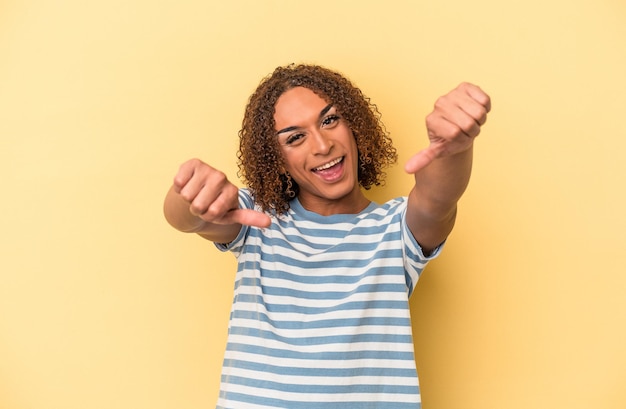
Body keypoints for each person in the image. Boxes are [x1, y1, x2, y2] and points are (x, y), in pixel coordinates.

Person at [163, 64, 490, 409]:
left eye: (330, 120)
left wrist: (452, 148)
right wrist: (191, 202)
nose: (322, 144)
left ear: (354, 125)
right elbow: (187, 220)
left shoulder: (394, 230)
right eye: (294, 137)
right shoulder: (256, 219)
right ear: (276, 160)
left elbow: (437, 201)